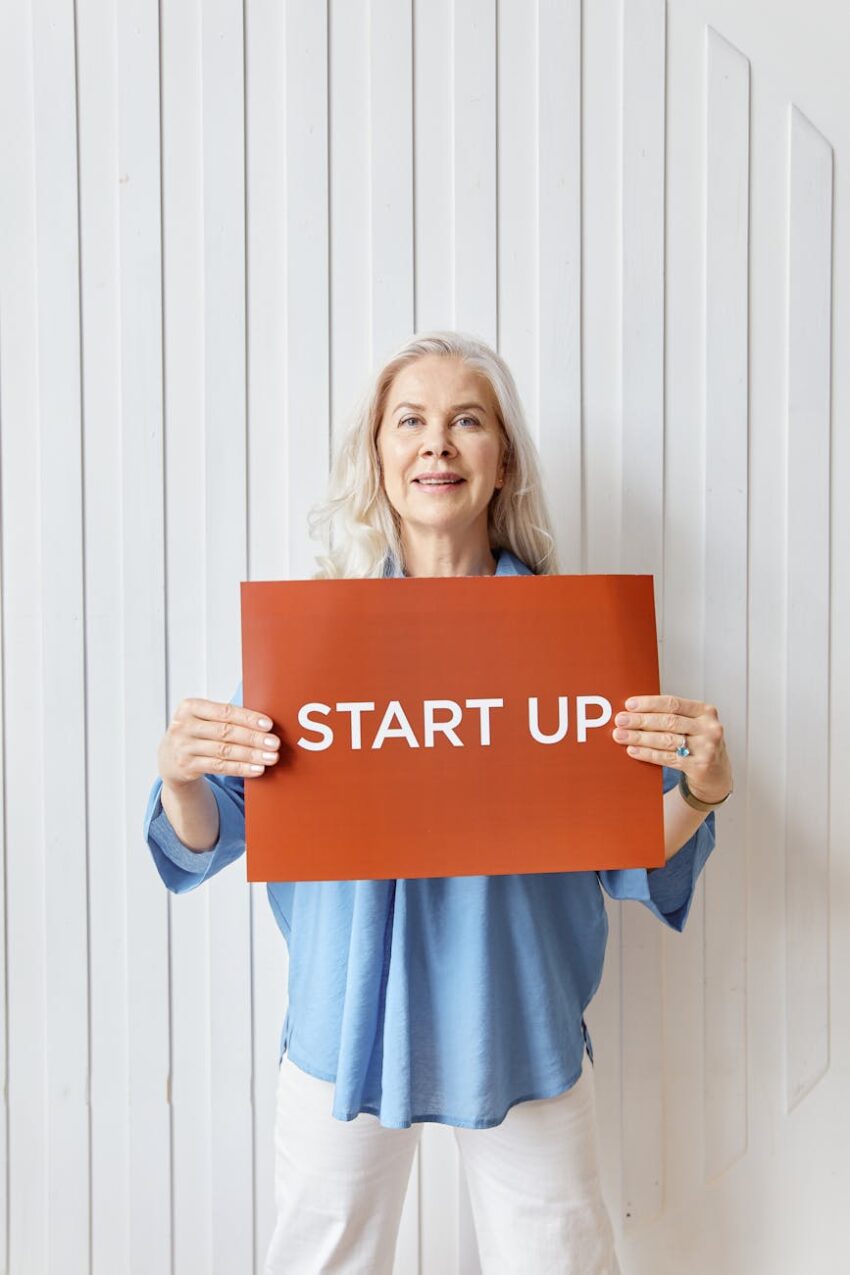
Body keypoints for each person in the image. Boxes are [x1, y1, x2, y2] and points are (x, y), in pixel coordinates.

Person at [143, 331, 734, 1274]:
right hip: (344, 1024)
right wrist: (180, 775)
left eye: (467, 420)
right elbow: (215, 832)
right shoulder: (316, 640)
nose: (437, 443)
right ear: (378, 460)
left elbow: (631, 849)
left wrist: (699, 794)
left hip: (519, 1017)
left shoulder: (570, 638)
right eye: (409, 421)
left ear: (502, 462)